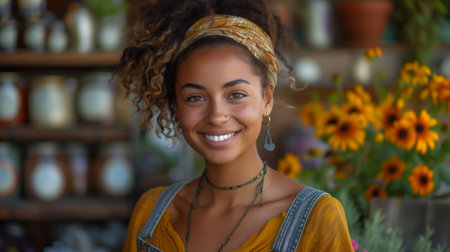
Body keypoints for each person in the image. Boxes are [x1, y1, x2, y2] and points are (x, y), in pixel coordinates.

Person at [118, 0, 353, 251]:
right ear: (176, 106)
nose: (217, 116)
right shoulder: (151, 214)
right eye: (195, 98)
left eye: (236, 94)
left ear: (267, 99)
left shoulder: (317, 219)